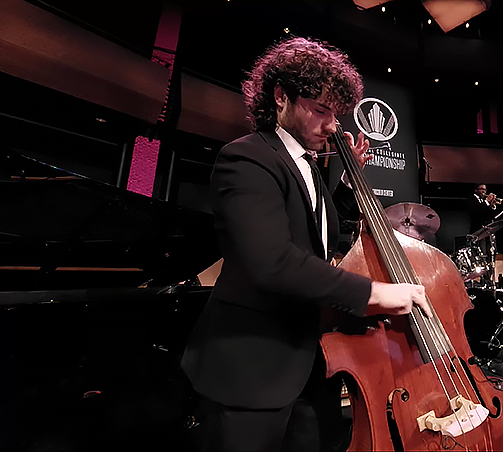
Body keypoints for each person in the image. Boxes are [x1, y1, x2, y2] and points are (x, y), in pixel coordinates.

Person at [180, 37, 432, 452]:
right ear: (281, 97)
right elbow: (271, 260)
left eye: (336, 113)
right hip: (253, 367)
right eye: (320, 110)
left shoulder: (308, 167)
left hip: (311, 365)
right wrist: (374, 292)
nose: (332, 125)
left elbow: (313, 230)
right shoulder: (246, 158)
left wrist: (349, 186)